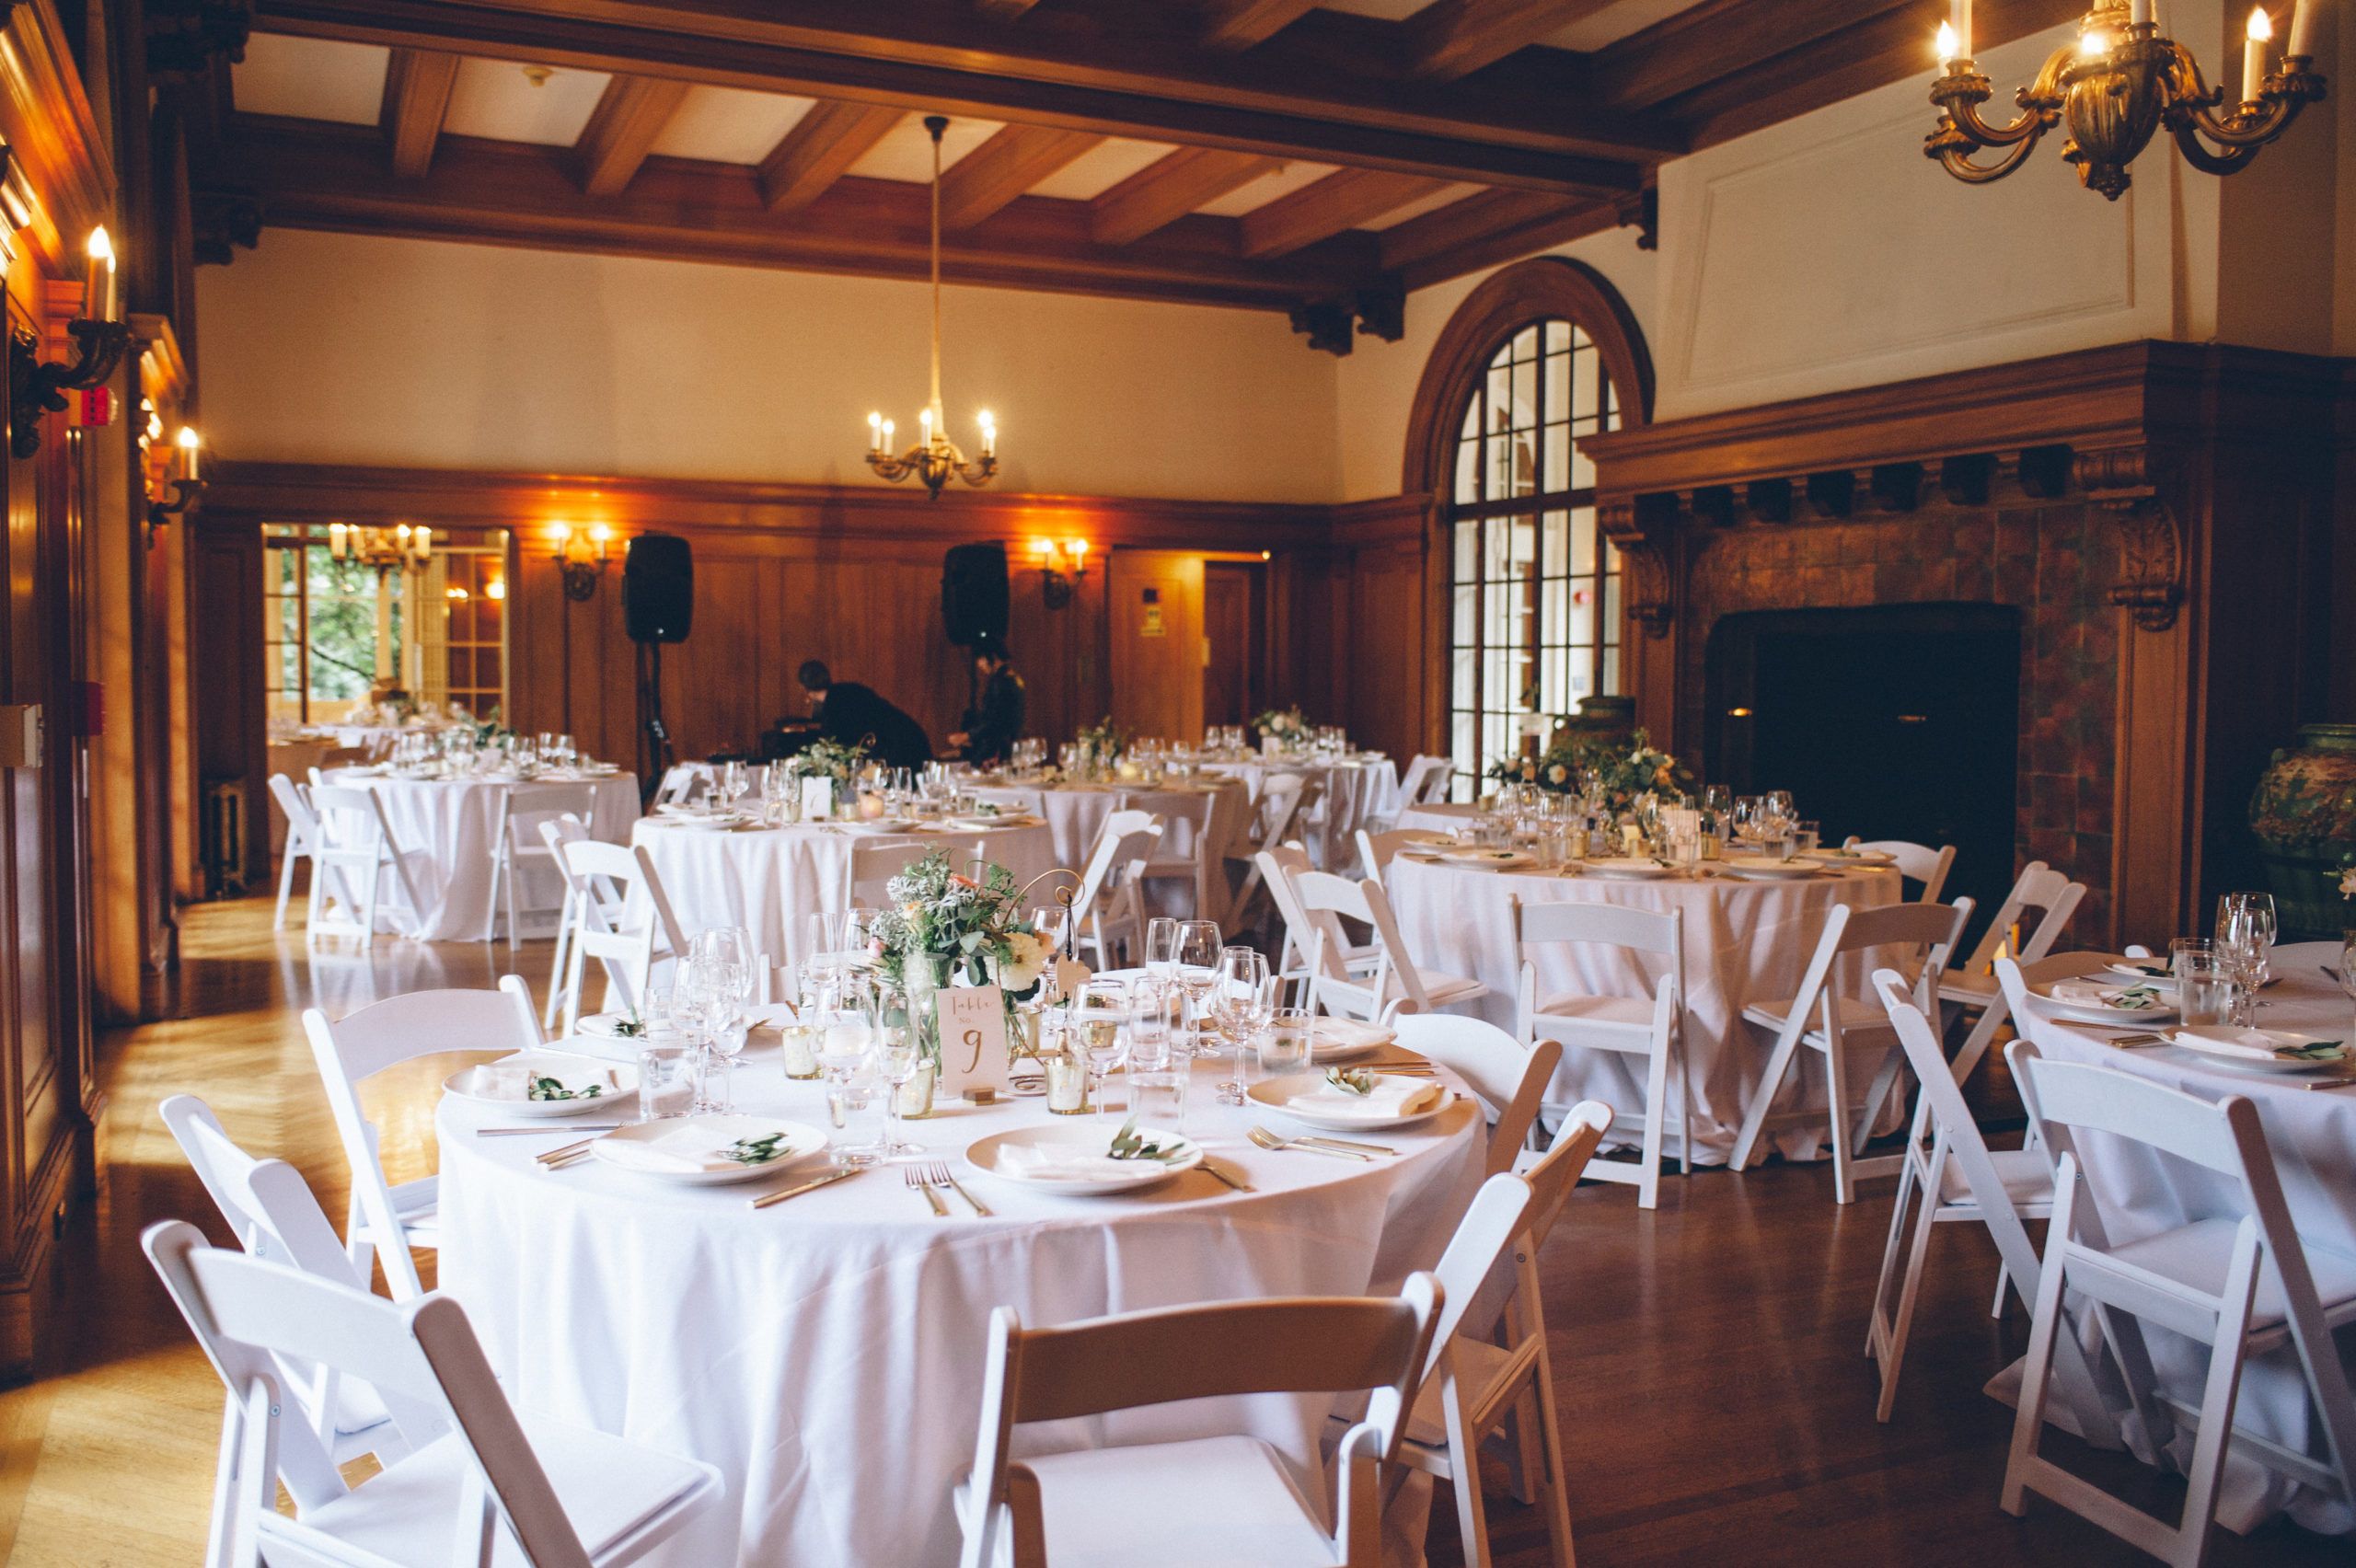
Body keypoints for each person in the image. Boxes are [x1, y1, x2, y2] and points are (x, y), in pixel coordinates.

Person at [796, 660, 932, 770]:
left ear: (803, 688)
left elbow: (838, 753)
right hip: (914, 740)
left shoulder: (832, 710)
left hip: (899, 753)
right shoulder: (851, 689)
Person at [950, 640, 1025, 766]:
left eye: (981, 658)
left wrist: (967, 736)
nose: (979, 664)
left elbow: (995, 722)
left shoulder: (1000, 683)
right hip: (1012, 747)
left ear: (993, 656)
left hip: (996, 752)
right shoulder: (1015, 679)